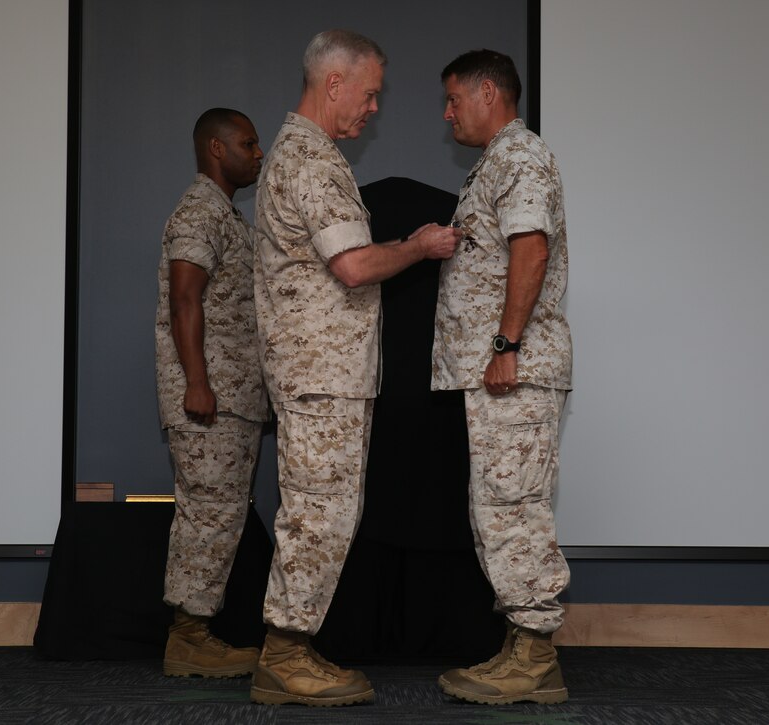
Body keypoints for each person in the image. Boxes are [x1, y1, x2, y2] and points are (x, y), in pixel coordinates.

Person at [250, 29, 462, 707]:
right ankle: (284, 655)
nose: (374, 107)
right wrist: (421, 245)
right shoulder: (312, 160)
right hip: (322, 377)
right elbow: (354, 264)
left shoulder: (303, 154)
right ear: (334, 82)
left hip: (324, 374)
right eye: (369, 94)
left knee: (324, 511)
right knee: (318, 514)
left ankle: (293, 646)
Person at [431, 49, 573, 705]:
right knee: (497, 507)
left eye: (454, 99)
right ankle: (522, 643)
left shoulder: (520, 156)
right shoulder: (495, 162)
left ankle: (535, 657)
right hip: (498, 374)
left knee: (514, 507)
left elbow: (530, 248)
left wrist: (505, 344)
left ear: (489, 92)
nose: (448, 113)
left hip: (514, 368)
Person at [154, 108, 269, 679]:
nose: (259, 153)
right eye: (248, 143)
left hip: (233, 398)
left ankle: (197, 632)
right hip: (210, 399)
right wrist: (198, 383)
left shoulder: (227, 215)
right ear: (217, 149)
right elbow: (185, 299)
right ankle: (189, 639)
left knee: (219, 514)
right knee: (207, 514)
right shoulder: (200, 211)